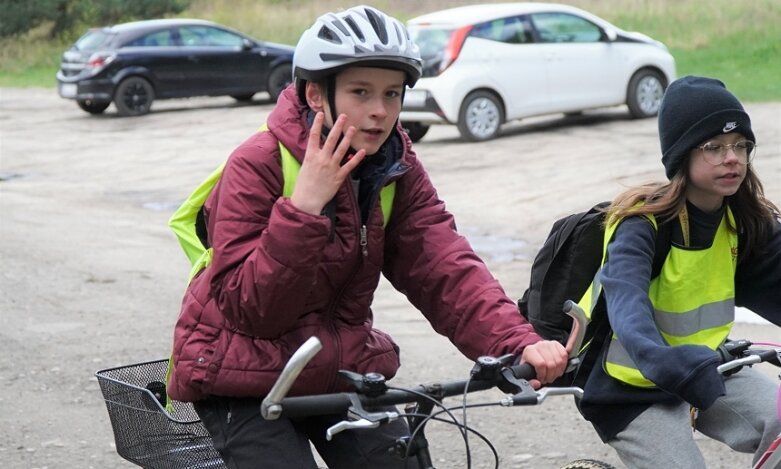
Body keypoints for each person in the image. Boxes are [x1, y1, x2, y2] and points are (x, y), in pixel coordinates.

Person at [166, 5, 568, 468]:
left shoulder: (394, 166)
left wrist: (517, 342)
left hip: (338, 366)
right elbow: (253, 310)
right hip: (239, 369)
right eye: (361, 92)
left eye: (392, 94)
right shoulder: (257, 163)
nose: (381, 111)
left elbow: (443, 266)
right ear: (316, 94)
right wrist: (303, 209)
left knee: (400, 461)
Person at [576, 75, 781, 468]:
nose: (732, 157)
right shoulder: (642, 224)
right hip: (630, 387)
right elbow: (628, 311)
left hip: (707, 368)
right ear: (682, 154)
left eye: (741, 145)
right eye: (714, 147)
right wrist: (663, 360)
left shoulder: (744, 221)